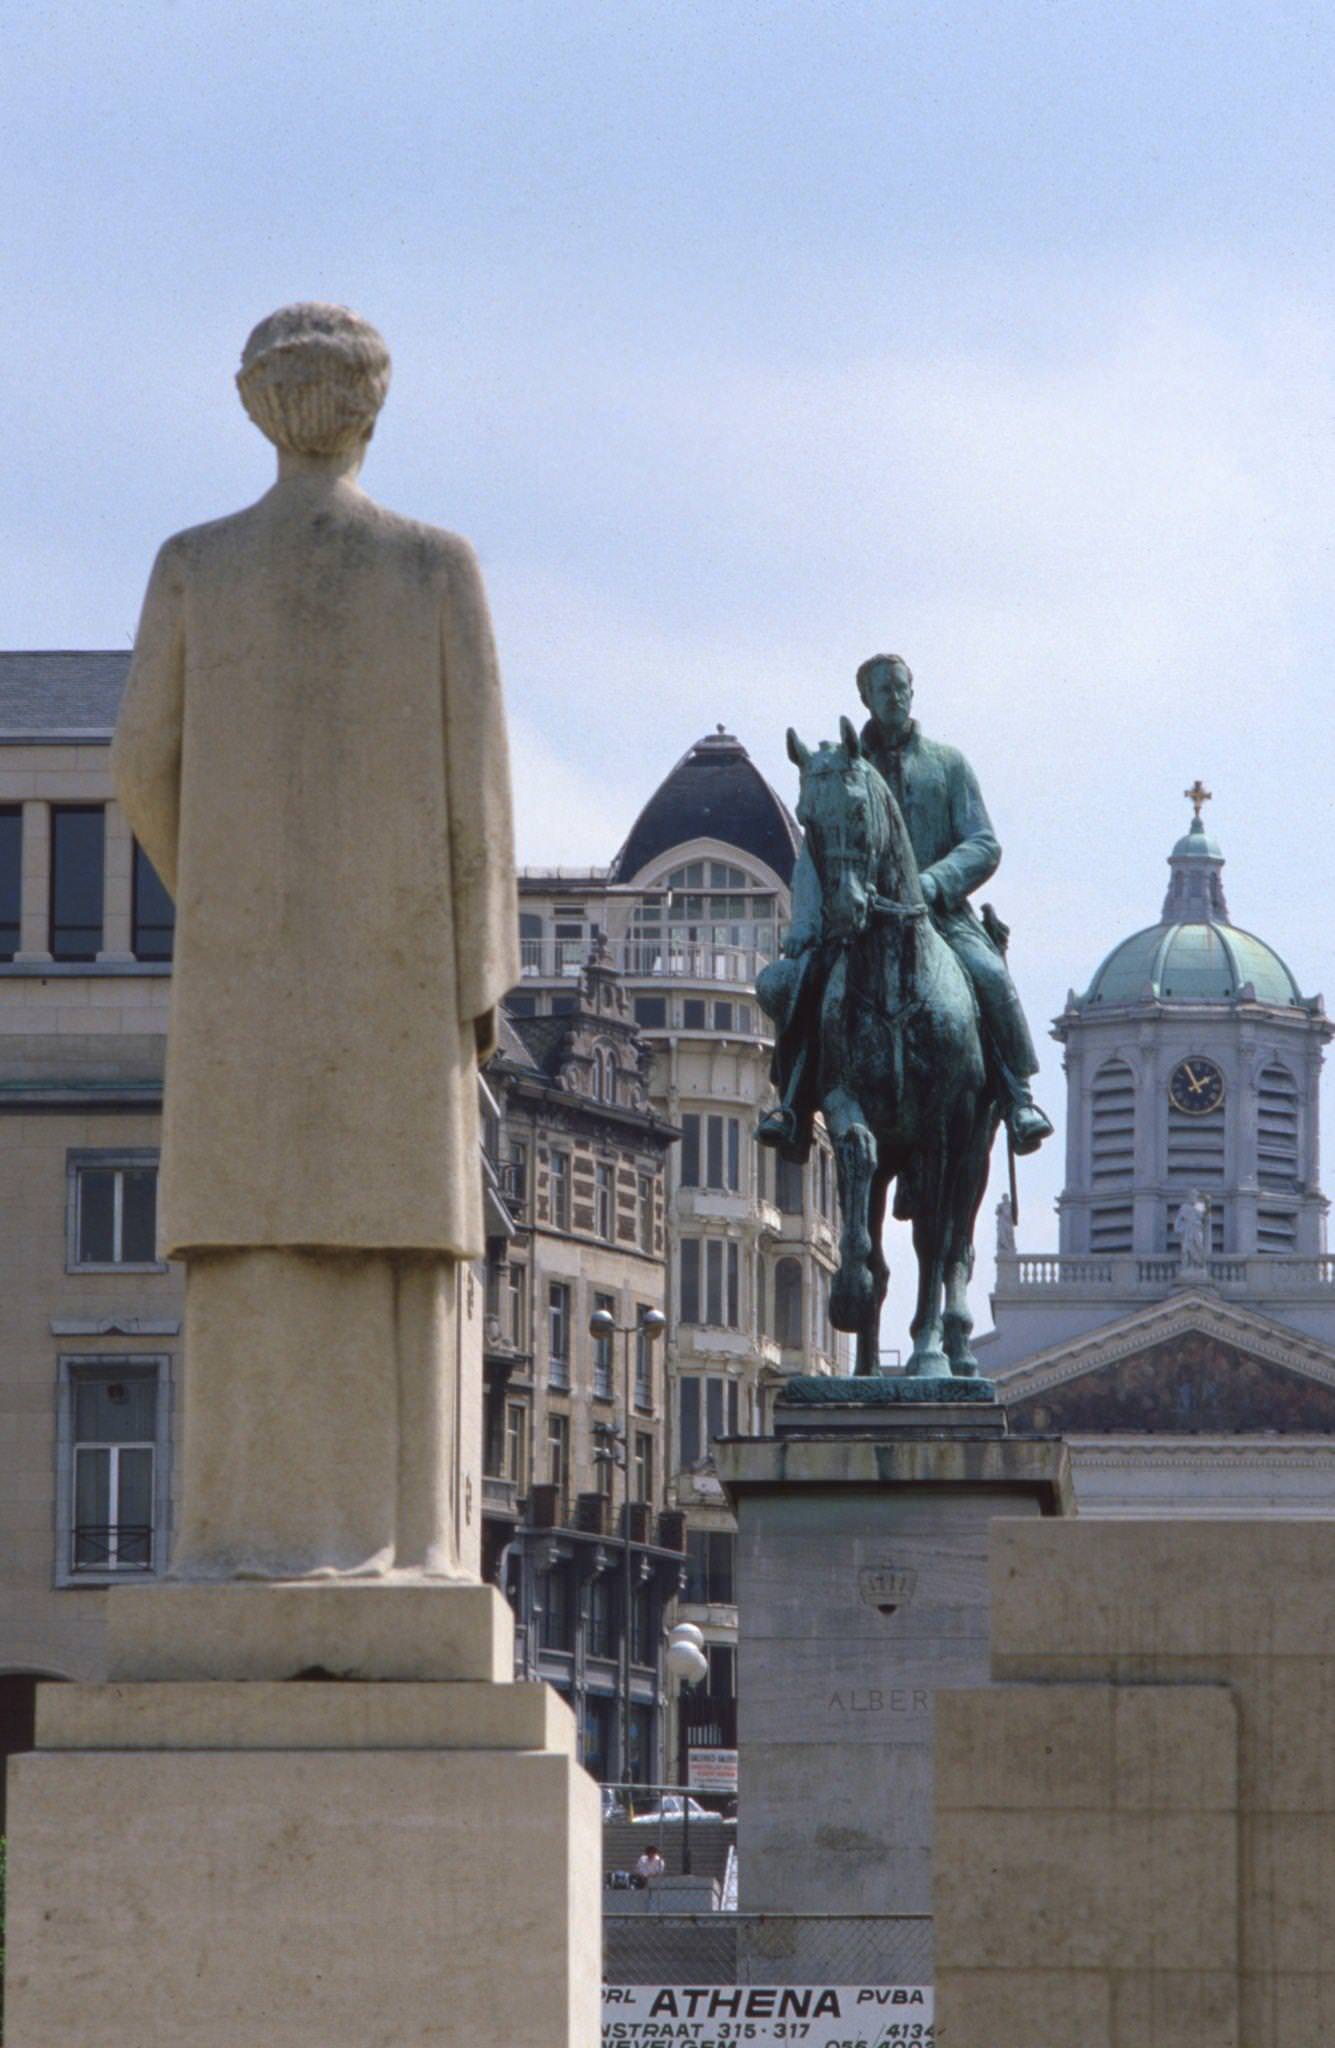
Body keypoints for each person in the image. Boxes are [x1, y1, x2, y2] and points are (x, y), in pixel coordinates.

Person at [113, 303, 518, 1580]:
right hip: (396, 1000)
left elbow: (138, 770)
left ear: (254, 404)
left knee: (249, 1256)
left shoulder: (193, 565)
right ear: (373, 408)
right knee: (390, 1259)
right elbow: (482, 817)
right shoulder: (436, 568)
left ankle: (235, 1548)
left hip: (244, 997)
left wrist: (226, 896)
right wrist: (472, 989)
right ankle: (405, 1551)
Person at [758, 652, 1052, 1163]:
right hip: (854, 922)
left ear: (912, 692)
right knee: (802, 986)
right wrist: (805, 927)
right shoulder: (843, 769)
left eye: (901, 688)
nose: (894, 697)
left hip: (939, 917)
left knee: (991, 977)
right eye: (883, 690)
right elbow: (815, 851)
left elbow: (983, 843)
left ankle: (1018, 1096)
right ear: (865, 700)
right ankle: (792, 1105)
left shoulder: (948, 764)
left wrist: (935, 883)